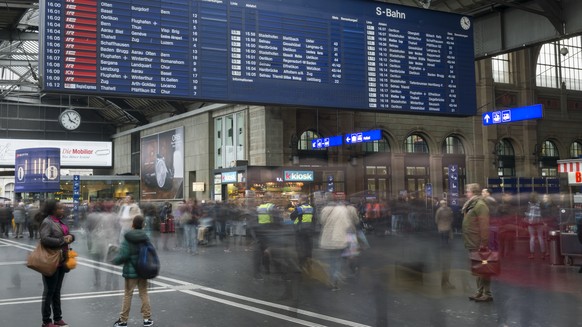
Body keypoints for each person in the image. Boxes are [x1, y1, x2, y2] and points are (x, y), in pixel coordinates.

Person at [111, 215, 154, 327]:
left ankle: (123, 320)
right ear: (143, 225)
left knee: (128, 295)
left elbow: (124, 255)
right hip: (143, 270)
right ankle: (147, 319)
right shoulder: (146, 237)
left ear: (133, 225)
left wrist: (114, 260)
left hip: (131, 271)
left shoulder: (128, 237)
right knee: (144, 293)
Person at [39, 199, 75, 327]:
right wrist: (62, 240)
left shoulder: (60, 221)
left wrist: (71, 236)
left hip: (61, 259)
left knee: (57, 290)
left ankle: (58, 318)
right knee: (49, 291)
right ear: (53, 210)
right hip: (51, 260)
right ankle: (46, 321)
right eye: (60, 208)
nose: (62, 210)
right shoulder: (47, 222)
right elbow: (44, 239)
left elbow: (67, 233)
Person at [319, 196, 358, 291]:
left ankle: (331, 278)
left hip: (328, 239)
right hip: (339, 238)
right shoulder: (343, 210)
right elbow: (348, 224)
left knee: (331, 260)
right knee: (337, 261)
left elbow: (322, 222)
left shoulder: (324, 210)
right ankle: (335, 279)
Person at [462, 183, 492, 302]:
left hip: (478, 243)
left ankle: (487, 293)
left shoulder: (480, 205)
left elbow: (484, 226)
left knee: (483, 268)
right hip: (472, 242)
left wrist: (483, 244)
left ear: (473, 192)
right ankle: (479, 291)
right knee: (477, 268)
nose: (466, 193)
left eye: (468, 191)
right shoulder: (471, 205)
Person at [289, 196, 315, 270]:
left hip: (300, 231)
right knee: (308, 248)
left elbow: (292, 216)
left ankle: (301, 264)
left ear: (302, 200)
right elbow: (314, 219)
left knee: (300, 248)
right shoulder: (311, 208)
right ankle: (309, 263)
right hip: (309, 230)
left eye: (299, 199)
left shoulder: (300, 208)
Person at [435, 199, 455, 289]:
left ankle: (443, 247)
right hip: (446, 227)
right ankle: (445, 247)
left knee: (443, 239)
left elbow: (436, 219)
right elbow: (451, 218)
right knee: (445, 238)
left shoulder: (439, 210)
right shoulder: (449, 209)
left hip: (442, 227)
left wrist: (439, 224)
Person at [525, 192, 547, 259]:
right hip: (539, 222)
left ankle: (532, 254)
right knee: (540, 237)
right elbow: (543, 213)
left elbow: (527, 213)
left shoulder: (529, 204)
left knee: (532, 237)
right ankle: (543, 253)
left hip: (531, 223)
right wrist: (544, 222)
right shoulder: (540, 203)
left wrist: (526, 221)